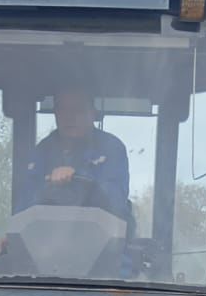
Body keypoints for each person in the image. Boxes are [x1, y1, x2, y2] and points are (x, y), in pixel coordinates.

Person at [20, 88, 130, 220]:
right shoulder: (42, 151)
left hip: (103, 236)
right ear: (55, 113)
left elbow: (116, 201)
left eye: (78, 109)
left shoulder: (111, 147)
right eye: (62, 109)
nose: (69, 116)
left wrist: (77, 178)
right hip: (48, 235)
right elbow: (26, 200)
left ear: (93, 113)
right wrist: (11, 232)